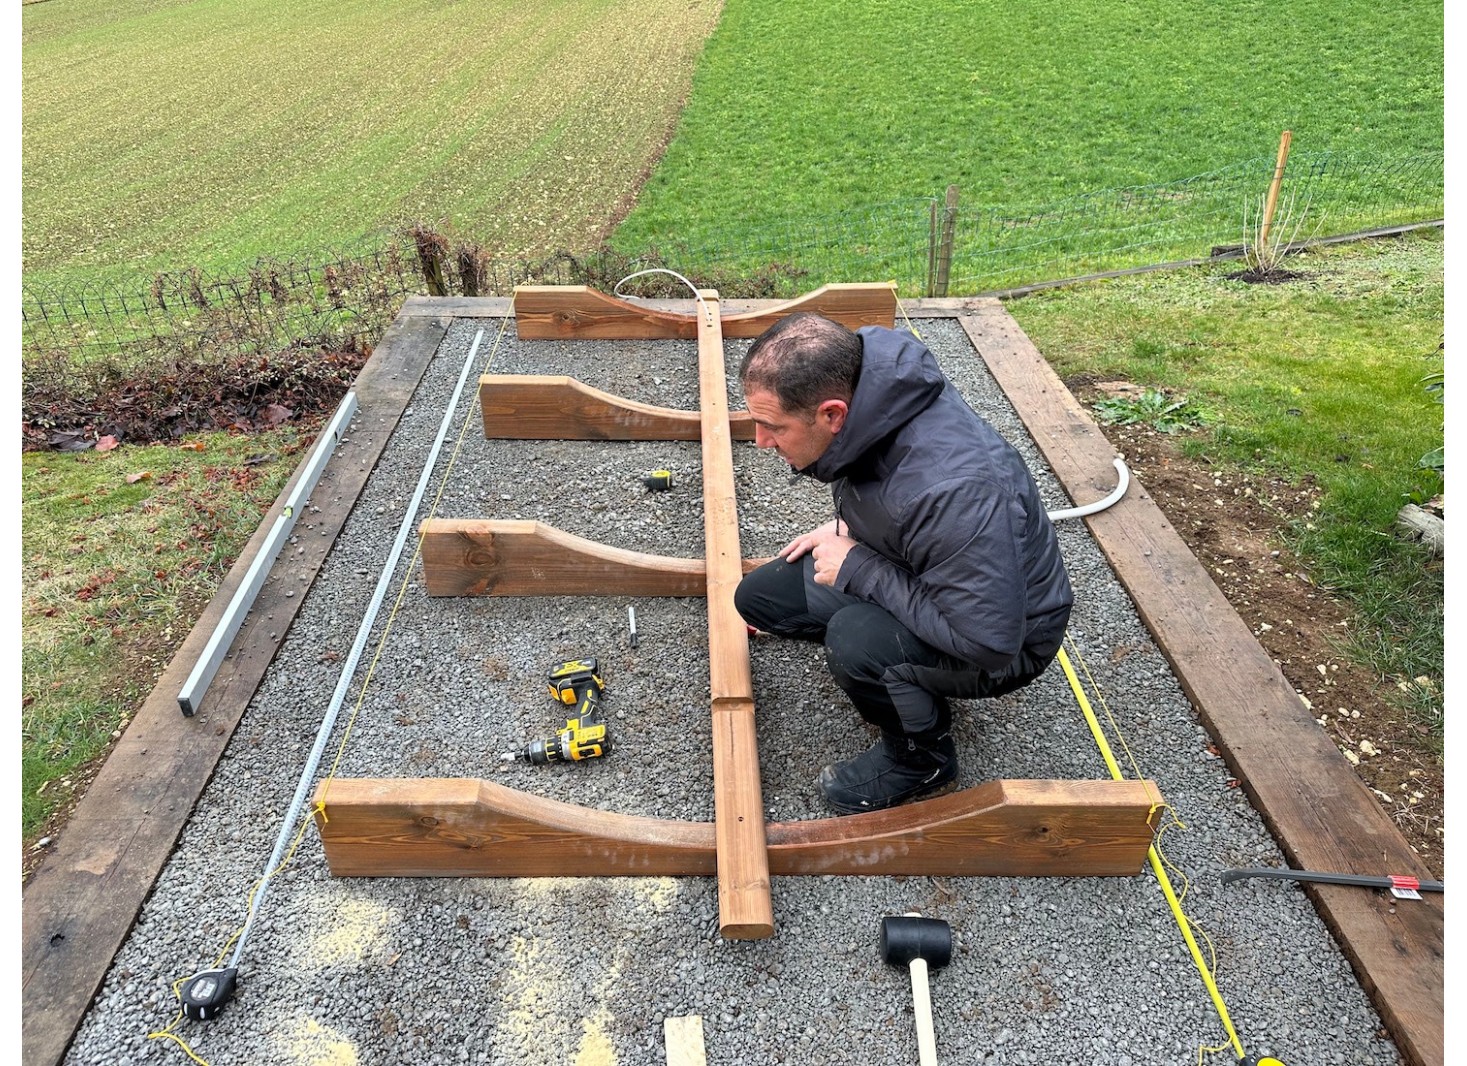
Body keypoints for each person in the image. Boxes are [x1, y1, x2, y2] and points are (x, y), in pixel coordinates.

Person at [733, 313, 1074, 814]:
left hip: (1007, 638)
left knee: (856, 639)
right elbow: (892, 491)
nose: (761, 441)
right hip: (934, 575)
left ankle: (921, 759)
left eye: (773, 427)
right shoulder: (873, 396)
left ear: (832, 415)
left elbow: (989, 642)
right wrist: (851, 528)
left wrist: (859, 569)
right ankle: (892, 667)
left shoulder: (954, 492)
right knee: (761, 597)